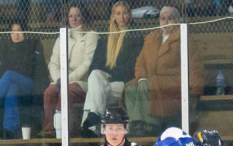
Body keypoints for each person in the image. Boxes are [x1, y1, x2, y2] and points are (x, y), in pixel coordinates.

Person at [125, 6, 201, 136]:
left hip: (173, 82)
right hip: (151, 79)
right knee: (130, 88)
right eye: (163, 18)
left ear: (177, 20)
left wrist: (195, 90)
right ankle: (137, 122)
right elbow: (140, 62)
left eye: (170, 18)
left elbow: (195, 65)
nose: (165, 22)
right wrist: (141, 77)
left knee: (146, 85)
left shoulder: (184, 38)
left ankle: (149, 124)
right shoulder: (151, 38)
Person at [80, 1, 143, 137]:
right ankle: (93, 120)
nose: (122, 17)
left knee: (95, 90)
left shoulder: (136, 36)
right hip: (105, 84)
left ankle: (90, 123)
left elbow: (131, 66)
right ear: (113, 16)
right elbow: (94, 66)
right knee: (95, 75)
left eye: (125, 13)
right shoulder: (105, 38)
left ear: (130, 15)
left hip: (122, 83)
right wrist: (105, 77)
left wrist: (109, 76)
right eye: (118, 13)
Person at [41, 3, 98, 137]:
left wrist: (67, 80)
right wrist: (59, 80)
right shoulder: (61, 37)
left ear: (83, 17)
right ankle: (49, 130)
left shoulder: (91, 35)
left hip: (80, 82)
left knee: (66, 92)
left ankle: (65, 132)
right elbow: (53, 63)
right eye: (71, 16)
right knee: (49, 92)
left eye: (77, 15)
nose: (74, 19)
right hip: (60, 81)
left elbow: (87, 64)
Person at [0, 20, 47, 138]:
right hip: (14, 85)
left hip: (29, 84)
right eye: (13, 31)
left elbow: (39, 70)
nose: (15, 34)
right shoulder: (5, 48)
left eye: (19, 31)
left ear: (25, 32)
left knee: (10, 75)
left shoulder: (31, 45)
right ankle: (10, 129)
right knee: (12, 89)